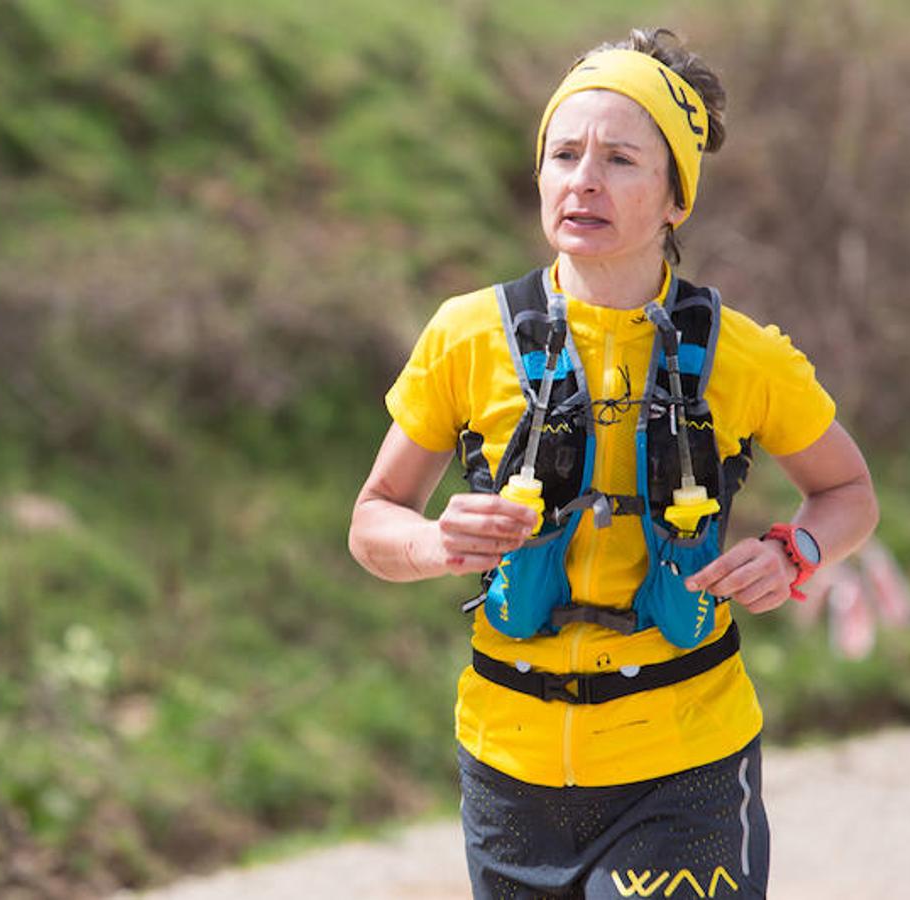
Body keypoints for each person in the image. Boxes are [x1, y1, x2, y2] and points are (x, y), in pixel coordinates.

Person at [347, 27, 878, 899]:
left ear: (677, 198)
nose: (582, 179)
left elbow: (848, 491)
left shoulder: (746, 357)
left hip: (685, 768)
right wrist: (437, 543)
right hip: (507, 769)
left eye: (620, 160)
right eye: (563, 153)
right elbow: (374, 519)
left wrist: (794, 552)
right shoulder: (463, 335)